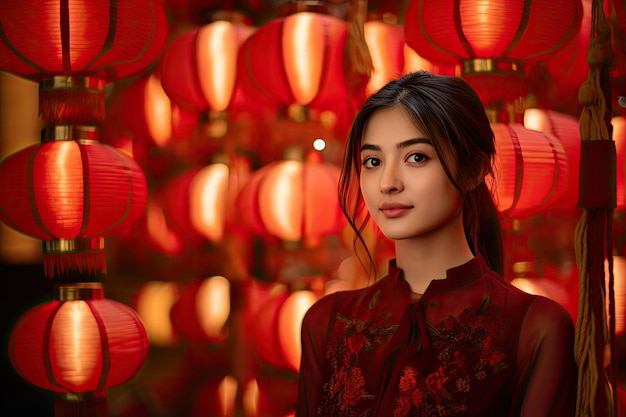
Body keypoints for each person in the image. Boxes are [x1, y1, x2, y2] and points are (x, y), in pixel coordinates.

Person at [296, 71, 578, 417]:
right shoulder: (326, 323)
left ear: (474, 168)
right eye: (373, 161)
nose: (387, 183)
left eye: (416, 157)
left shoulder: (535, 327)